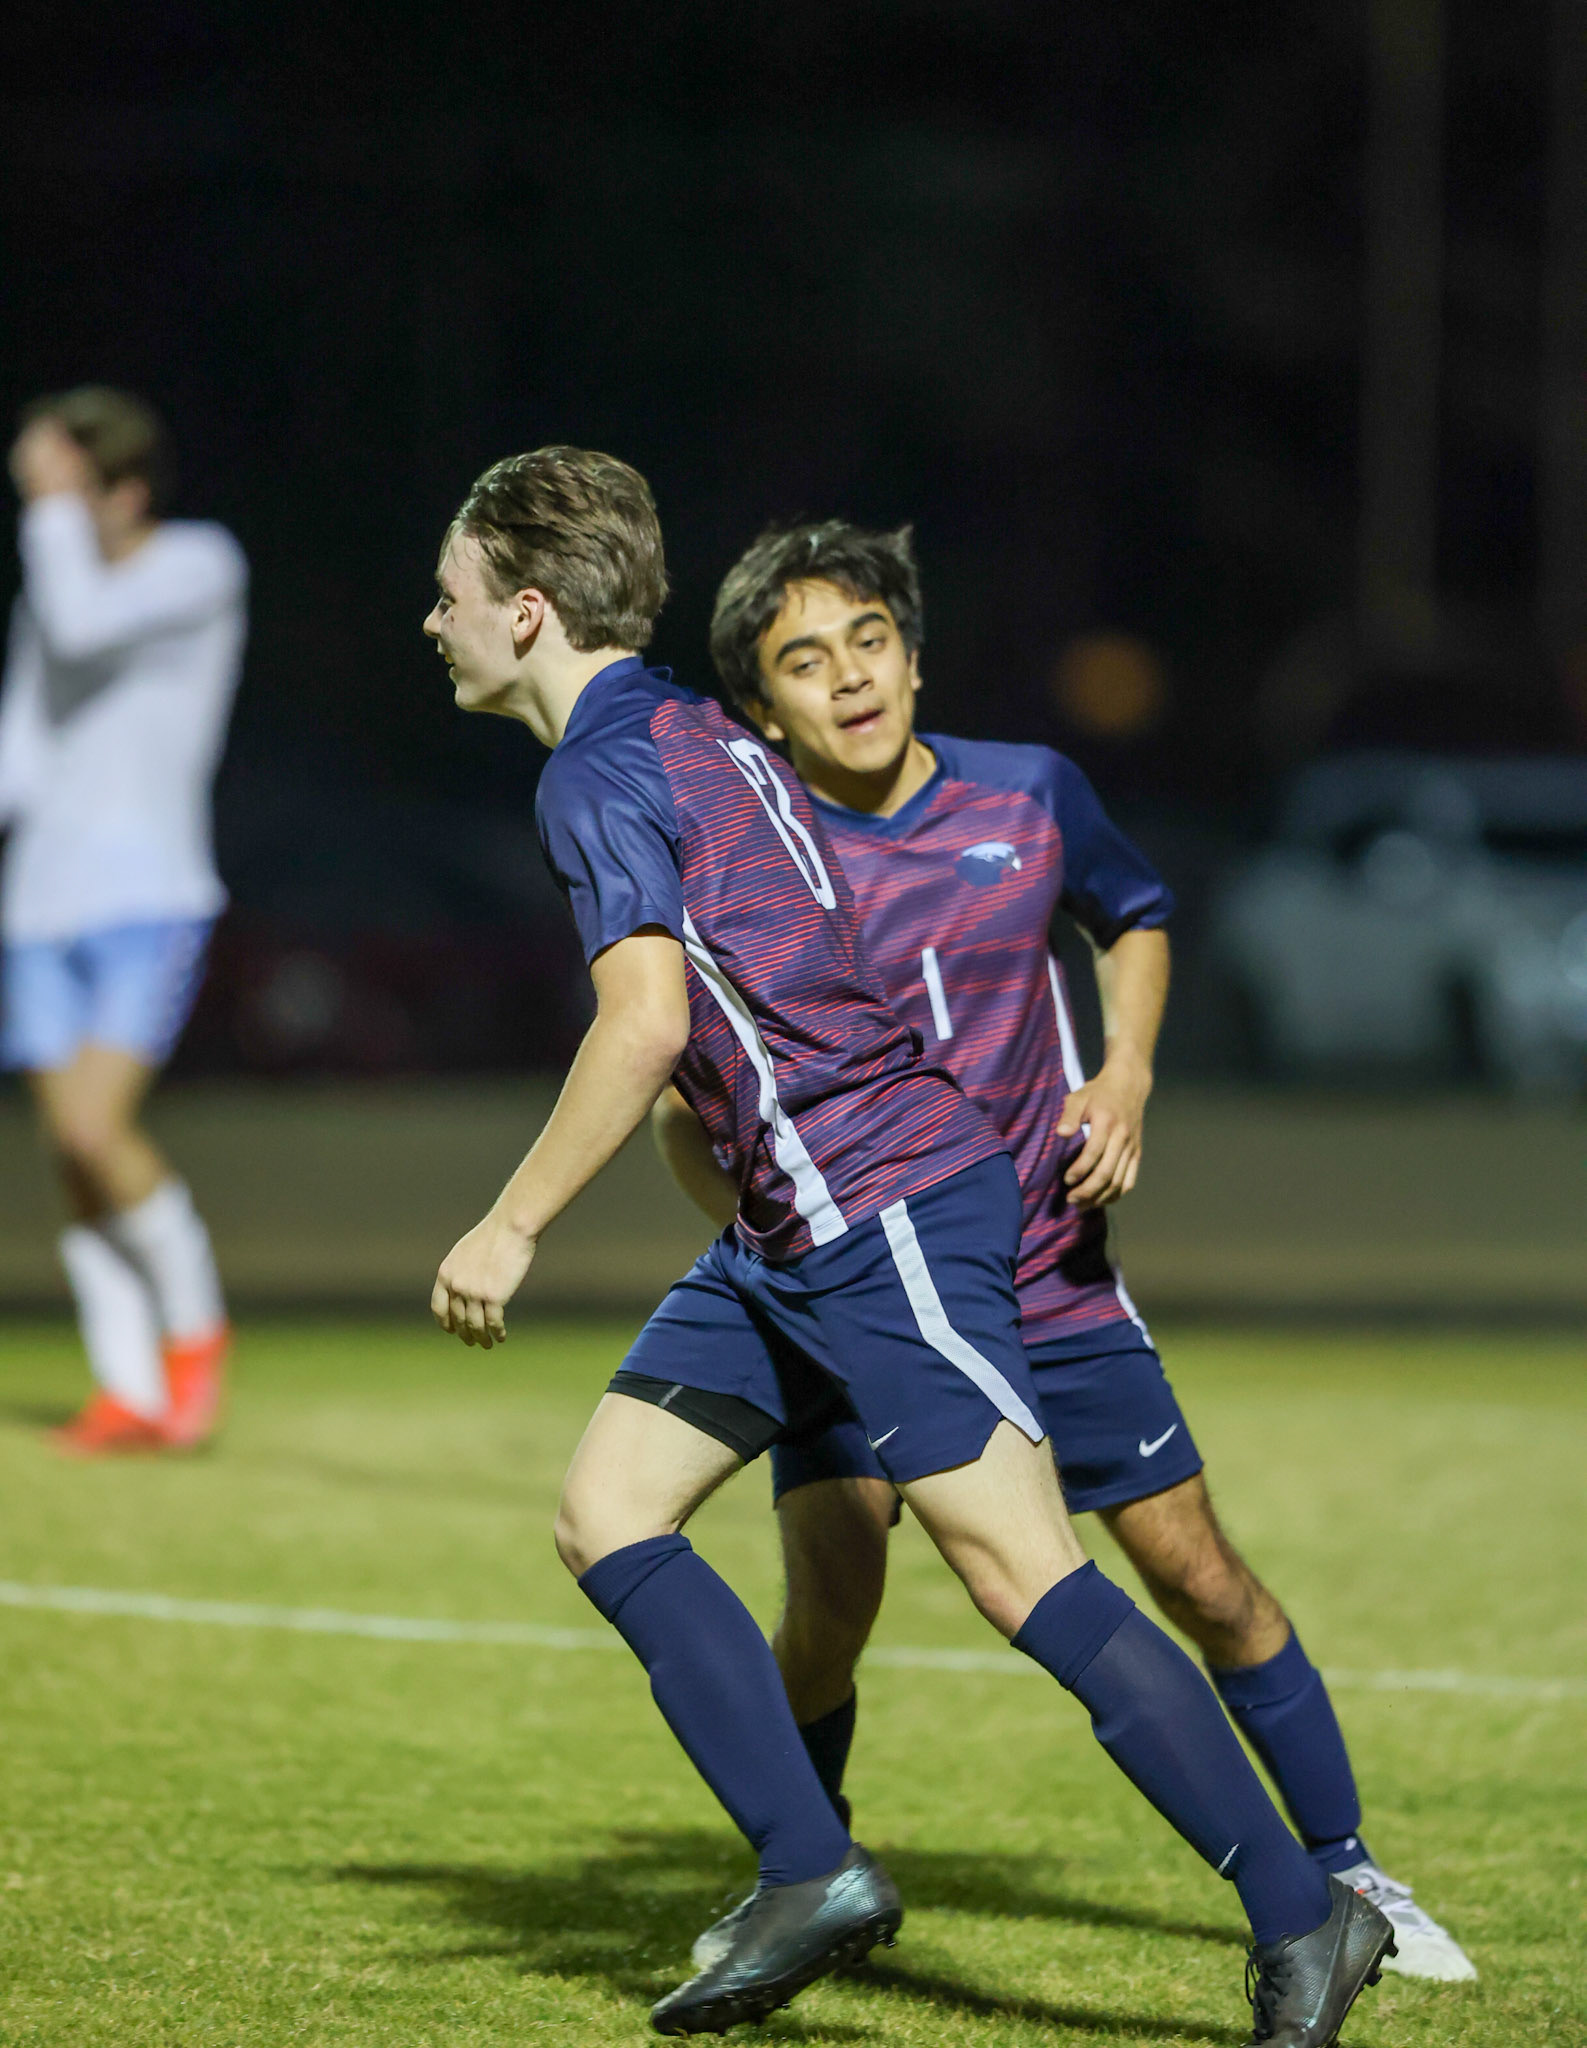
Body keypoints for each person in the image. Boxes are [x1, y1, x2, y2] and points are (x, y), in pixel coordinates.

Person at [424, 446, 1392, 2044]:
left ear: (524, 612)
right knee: (607, 1513)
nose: (433, 621)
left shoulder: (598, 770)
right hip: (793, 1220)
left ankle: (1306, 1918)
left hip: (877, 1203)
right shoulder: (698, 729)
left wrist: (509, 1220)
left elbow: (647, 1018)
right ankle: (810, 1867)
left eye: (450, 597)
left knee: (1027, 1576)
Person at [652, 517, 1473, 1985]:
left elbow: (1135, 917)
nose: (846, 679)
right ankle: (807, 1864)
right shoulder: (747, 854)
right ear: (759, 708)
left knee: (1198, 1576)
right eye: (801, 660)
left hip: (1044, 1273)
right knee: (832, 1597)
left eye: (867, 642)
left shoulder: (1026, 795)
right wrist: (771, 1237)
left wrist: (1124, 1073)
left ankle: (1345, 1872)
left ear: (911, 652)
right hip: (853, 1290)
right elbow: (678, 1093)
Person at [0, 390, 242, 1453]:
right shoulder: (54, 581)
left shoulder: (197, 563)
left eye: (71, 491)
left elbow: (83, 620)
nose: (53, 513)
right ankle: (127, 1386)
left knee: (99, 1125)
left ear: (124, 490)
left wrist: (47, 508)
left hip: (150, 892)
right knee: (69, 1150)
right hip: (37, 902)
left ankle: (193, 1336)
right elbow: (24, 736)